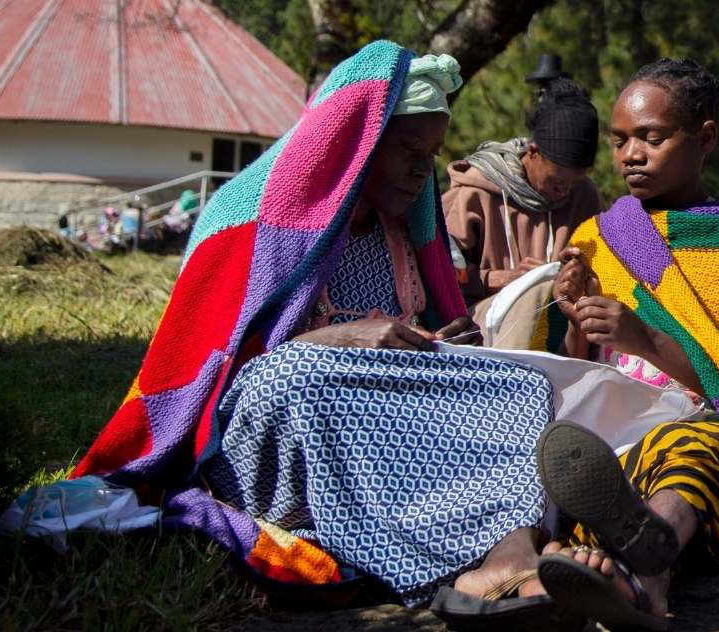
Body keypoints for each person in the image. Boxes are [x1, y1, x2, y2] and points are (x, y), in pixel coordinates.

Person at [62, 44, 616, 628]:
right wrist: (336, 339)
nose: (421, 171)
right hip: (273, 429)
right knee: (308, 379)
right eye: (406, 150)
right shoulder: (259, 219)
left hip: (375, 419)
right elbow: (218, 367)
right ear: (358, 146)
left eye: (430, 155)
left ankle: (506, 554)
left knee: (517, 385)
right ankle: (480, 552)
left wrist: (438, 341)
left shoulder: (398, 234)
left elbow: (409, 335)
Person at [529, 58, 719, 629]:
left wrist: (642, 335)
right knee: (587, 463)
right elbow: (573, 372)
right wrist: (576, 319)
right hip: (618, 432)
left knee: (691, 455)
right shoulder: (595, 238)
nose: (631, 155)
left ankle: (641, 559)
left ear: (705, 138)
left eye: (652, 137)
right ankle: (639, 576)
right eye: (621, 140)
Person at [444, 77, 604, 306]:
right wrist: (500, 279)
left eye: (574, 182)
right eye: (557, 181)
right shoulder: (474, 193)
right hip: (482, 326)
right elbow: (439, 273)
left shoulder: (585, 196)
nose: (566, 190)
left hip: (562, 324)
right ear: (533, 151)